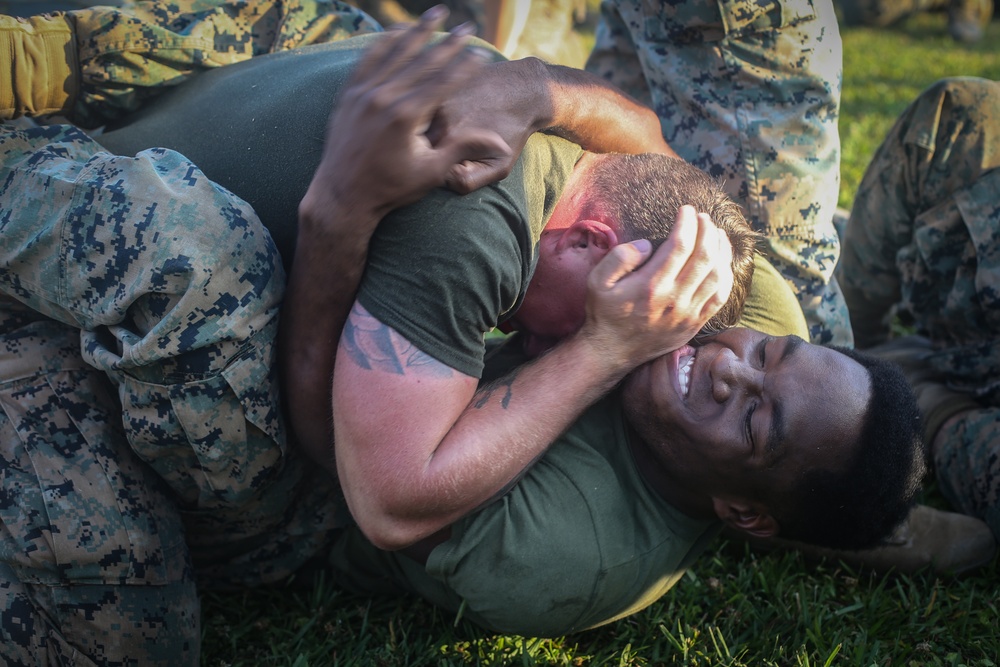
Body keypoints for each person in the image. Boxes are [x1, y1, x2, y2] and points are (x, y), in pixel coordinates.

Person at [0, 2, 925, 662]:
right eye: (768, 353)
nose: (729, 364)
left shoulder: (581, 550)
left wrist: (341, 221)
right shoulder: (742, 312)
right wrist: (528, 89)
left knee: (125, 633)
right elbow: (656, 162)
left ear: (744, 514)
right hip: (224, 215)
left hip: (288, 471)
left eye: (755, 419)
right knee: (312, 84)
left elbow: (365, 480)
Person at [584, 0, 853, 348]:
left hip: (734, 29)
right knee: (601, 173)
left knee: (777, 271)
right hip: (648, 14)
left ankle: (846, 399)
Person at [833, 76, 1000, 569]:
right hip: (943, 318)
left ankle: (913, 382)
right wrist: (847, 340)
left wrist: (933, 407)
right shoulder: (966, 132)